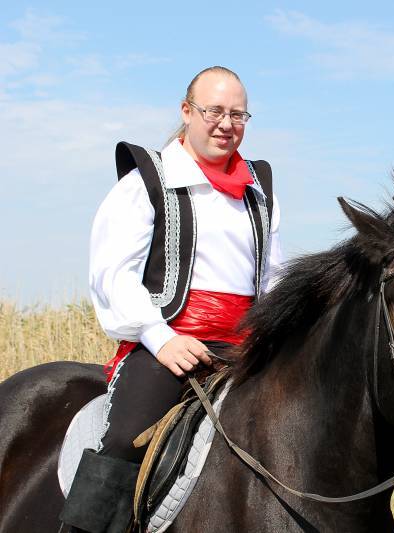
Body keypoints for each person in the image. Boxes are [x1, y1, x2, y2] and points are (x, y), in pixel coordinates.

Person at [60, 66, 283, 533]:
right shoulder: (146, 182)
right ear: (187, 112)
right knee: (124, 440)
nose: (226, 124)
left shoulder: (258, 190)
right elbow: (113, 274)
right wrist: (161, 338)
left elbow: (272, 277)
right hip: (167, 344)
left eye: (238, 114)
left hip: (245, 346)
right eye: (214, 111)